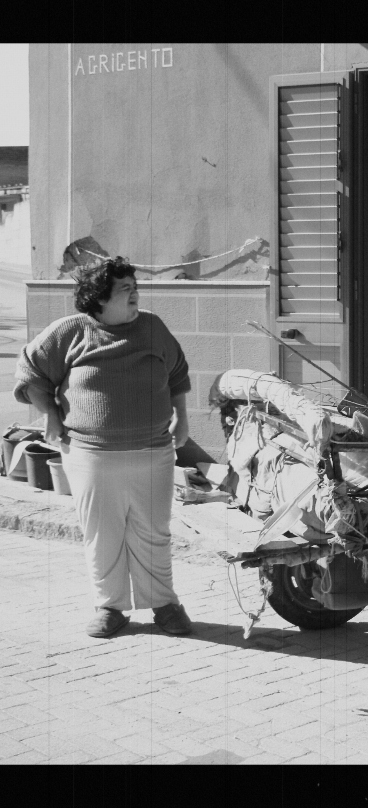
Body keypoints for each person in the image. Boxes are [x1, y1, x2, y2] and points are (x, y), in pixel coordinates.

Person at [14, 256, 193, 638]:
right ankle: (110, 607)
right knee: (102, 533)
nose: (134, 293)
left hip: (153, 450)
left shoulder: (152, 327)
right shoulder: (70, 331)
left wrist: (182, 416)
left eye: (135, 286)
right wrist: (49, 415)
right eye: (124, 288)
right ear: (99, 299)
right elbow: (31, 371)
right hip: (90, 453)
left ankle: (164, 604)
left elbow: (177, 371)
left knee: (153, 532)